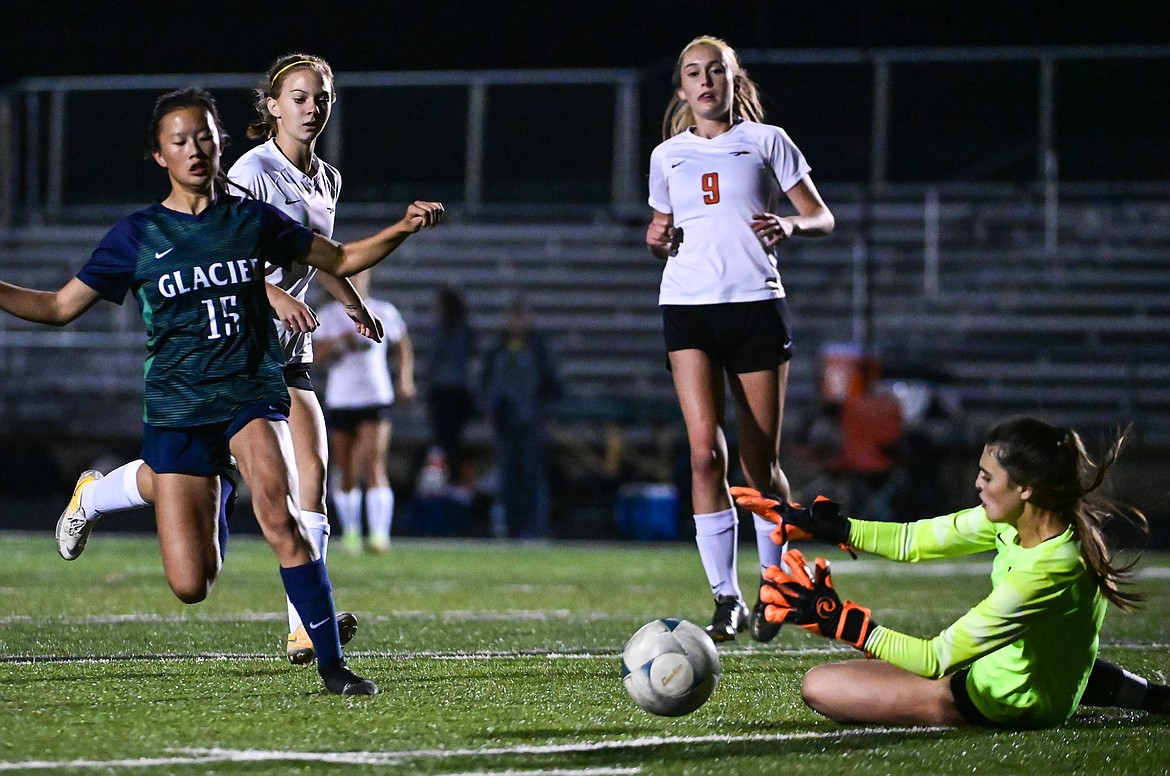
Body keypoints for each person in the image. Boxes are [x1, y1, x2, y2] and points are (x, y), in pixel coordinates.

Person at [0, 87, 444, 695]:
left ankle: (330, 664)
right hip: (179, 407)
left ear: (220, 142)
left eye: (204, 136)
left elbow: (338, 257)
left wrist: (403, 227)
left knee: (281, 512)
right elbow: (56, 307)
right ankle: (107, 492)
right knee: (192, 584)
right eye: (180, 141)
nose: (195, 149)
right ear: (159, 155)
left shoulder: (250, 219)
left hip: (250, 392)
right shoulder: (138, 234)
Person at [47, 54, 381, 666]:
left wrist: (353, 305)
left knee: (311, 478)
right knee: (196, 526)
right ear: (272, 106)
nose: (313, 108)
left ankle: (304, 629)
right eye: (300, 97)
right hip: (233, 345)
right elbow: (217, 253)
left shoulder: (324, 178)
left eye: (322, 97)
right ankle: (94, 496)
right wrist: (271, 293)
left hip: (288, 350)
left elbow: (322, 256)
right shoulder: (251, 171)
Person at [732, 415, 1170, 728]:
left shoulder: (1048, 571)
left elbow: (935, 658)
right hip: (1041, 675)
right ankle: (1151, 696)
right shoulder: (1034, 522)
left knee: (819, 686)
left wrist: (843, 623)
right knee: (1047, 651)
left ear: (1024, 488)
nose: (977, 484)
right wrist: (836, 527)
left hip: (1006, 702)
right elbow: (914, 541)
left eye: (987, 476)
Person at [645, 36, 835, 642]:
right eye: (693, 74)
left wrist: (790, 223)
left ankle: (775, 586)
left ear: (733, 79)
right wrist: (657, 240)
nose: (705, 82)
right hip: (687, 308)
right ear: (682, 89)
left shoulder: (766, 141)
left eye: (716, 71)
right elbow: (661, 229)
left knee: (760, 464)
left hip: (755, 305)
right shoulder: (666, 155)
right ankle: (726, 598)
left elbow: (821, 216)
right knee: (705, 454)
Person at [314, 269, 414, 554]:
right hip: (342, 398)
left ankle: (380, 535)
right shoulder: (330, 315)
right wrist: (338, 342)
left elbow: (402, 345)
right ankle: (351, 532)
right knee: (345, 468)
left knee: (373, 461)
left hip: (374, 395)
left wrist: (405, 378)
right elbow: (315, 358)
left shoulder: (383, 310)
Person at [481, 296, 561, 539]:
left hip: (532, 424)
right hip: (506, 423)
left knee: (531, 476)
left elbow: (552, 384)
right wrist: (491, 412)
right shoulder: (497, 350)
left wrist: (543, 412)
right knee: (508, 478)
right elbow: (486, 384)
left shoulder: (538, 349)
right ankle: (511, 528)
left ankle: (535, 528)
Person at [425, 285, 478, 486]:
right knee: (453, 442)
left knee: (443, 441)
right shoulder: (465, 331)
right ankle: (452, 479)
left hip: (444, 392)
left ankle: (445, 481)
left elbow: (433, 361)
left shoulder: (442, 331)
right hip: (459, 391)